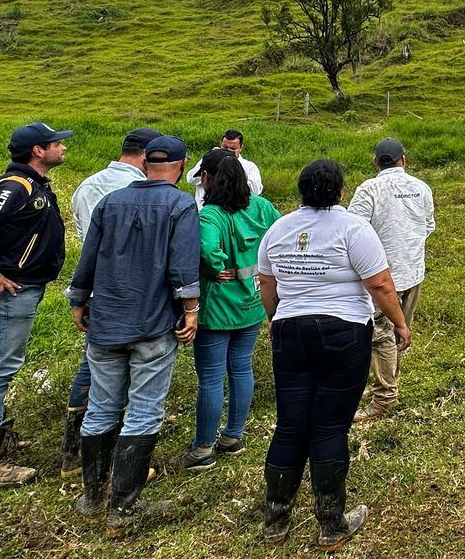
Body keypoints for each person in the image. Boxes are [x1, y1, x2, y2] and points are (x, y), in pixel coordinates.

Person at [256, 159, 412, 549]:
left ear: (301, 191)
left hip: (290, 332)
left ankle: (276, 519)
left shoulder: (278, 229)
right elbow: (379, 283)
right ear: (340, 191)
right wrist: (399, 324)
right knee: (329, 427)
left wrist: (277, 318)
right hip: (342, 332)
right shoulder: (353, 228)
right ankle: (330, 525)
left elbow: (267, 282)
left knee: (290, 425)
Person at [67, 135, 201, 538]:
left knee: (102, 407)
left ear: (146, 164)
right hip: (153, 321)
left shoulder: (111, 202)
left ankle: (92, 498)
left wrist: (78, 297)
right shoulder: (180, 204)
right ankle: (123, 508)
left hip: (105, 320)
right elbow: (182, 266)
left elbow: (89, 254)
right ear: (179, 166)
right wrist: (191, 311)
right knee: (143, 408)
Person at [0, 121, 71, 487]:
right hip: (11, 291)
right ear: (38, 150)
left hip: (22, 287)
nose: (62, 148)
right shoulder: (15, 186)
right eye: (56, 143)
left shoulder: (31, 185)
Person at [60, 126, 161, 477]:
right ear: (146, 158)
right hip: (129, 292)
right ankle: (110, 457)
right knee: (118, 369)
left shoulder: (89, 185)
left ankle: (78, 452)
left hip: (97, 290)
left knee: (97, 365)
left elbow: (86, 244)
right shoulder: (131, 192)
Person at [177, 148, 281, 472]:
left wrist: (216, 267)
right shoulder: (262, 207)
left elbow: (207, 249)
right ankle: (233, 435)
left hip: (217, 307)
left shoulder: (211, 215)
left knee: (210, 377)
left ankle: (203, 448)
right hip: (252, 304)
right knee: (241, 368)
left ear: (206, 179)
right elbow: (280, 235)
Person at [348, 137, 435, 424]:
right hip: (413, 271)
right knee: (400, 330)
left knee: (381, 334)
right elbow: (429, 226)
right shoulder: (421, 187)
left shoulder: (369, 189)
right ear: (403, 160)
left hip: (381, 276)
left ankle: (384, 396)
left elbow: (353, 231)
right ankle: (385, 383)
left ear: (375, 161)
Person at [187, 128, 262, 207]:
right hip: (204, 210)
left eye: (233, 149)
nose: (228, 151)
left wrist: (236, 173)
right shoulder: (209, 160)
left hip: (233, 213)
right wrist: (208, 159)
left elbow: (256, 191)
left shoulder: (250, 167)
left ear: (241, 147)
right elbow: (191, 179)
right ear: (220, 144)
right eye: (225, 148)